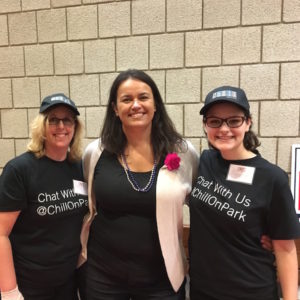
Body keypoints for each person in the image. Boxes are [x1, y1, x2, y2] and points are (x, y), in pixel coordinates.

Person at [77, 69, 199, 300]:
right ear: (115, 108)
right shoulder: (95, 153)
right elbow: (86, 205)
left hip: (162, 278)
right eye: (126, 99)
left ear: (155, 105)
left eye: (143, 97)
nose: (135, 105)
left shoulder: (184, 153)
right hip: (102, 276)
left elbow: (203, 209)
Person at [189, 86, 300, 300]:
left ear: (248, 122)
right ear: (205, 125)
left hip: (251, 290)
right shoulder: (204, 162)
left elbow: (286, 250)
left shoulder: (272, 178)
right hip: (202, 291)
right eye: (215, 121)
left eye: (234, 120)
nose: (224, 129)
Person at [0, 93, 88, 300]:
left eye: (67, 120)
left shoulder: (79, 167)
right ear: (42, 126)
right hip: (28, 285)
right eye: (53, 119)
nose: (61, 126)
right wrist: (10, 292)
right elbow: (1, 233)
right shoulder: (19, 170)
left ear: (75, 127)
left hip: (67, 282)